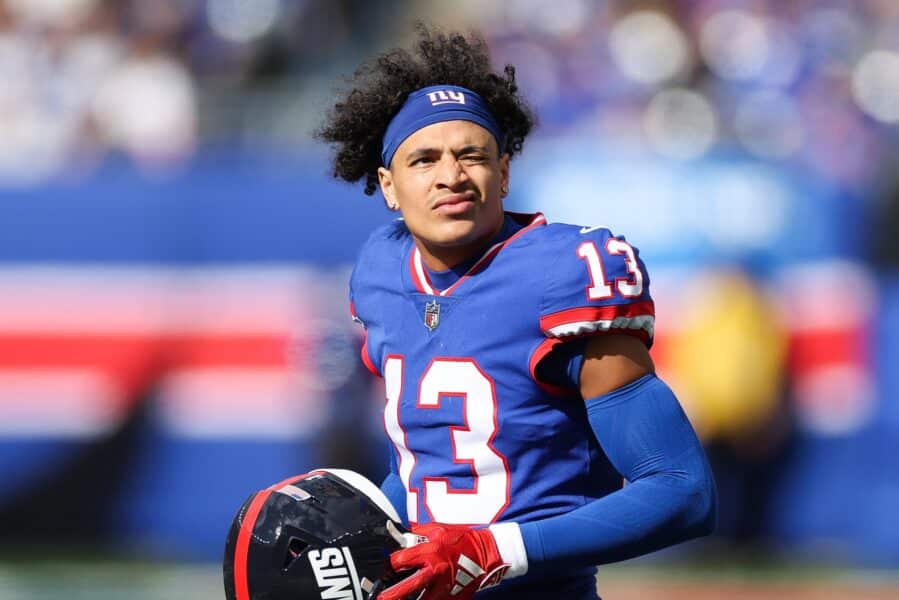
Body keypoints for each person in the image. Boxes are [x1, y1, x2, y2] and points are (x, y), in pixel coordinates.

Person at [317, 24, 717, 600]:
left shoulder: (566, 273)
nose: (451, 176)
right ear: (388, 185)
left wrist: (494, 551)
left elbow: (682, 490)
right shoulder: (381, 270)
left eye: (471, 155)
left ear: (503, 172)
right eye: (424, 160)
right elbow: (433, 466)